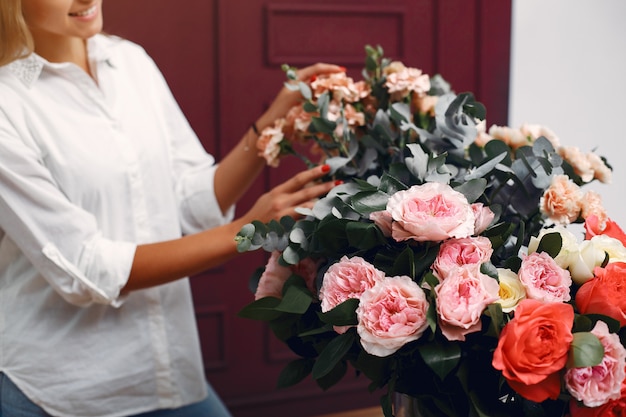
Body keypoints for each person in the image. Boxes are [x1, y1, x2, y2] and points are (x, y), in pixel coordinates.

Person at [0, 0, 343, 416]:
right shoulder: (7, 103)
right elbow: (86, 269)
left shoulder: (130, 62)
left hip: (161, 371)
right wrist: (249, 228)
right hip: (59, 388)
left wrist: (276, 116)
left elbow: (192, 201)